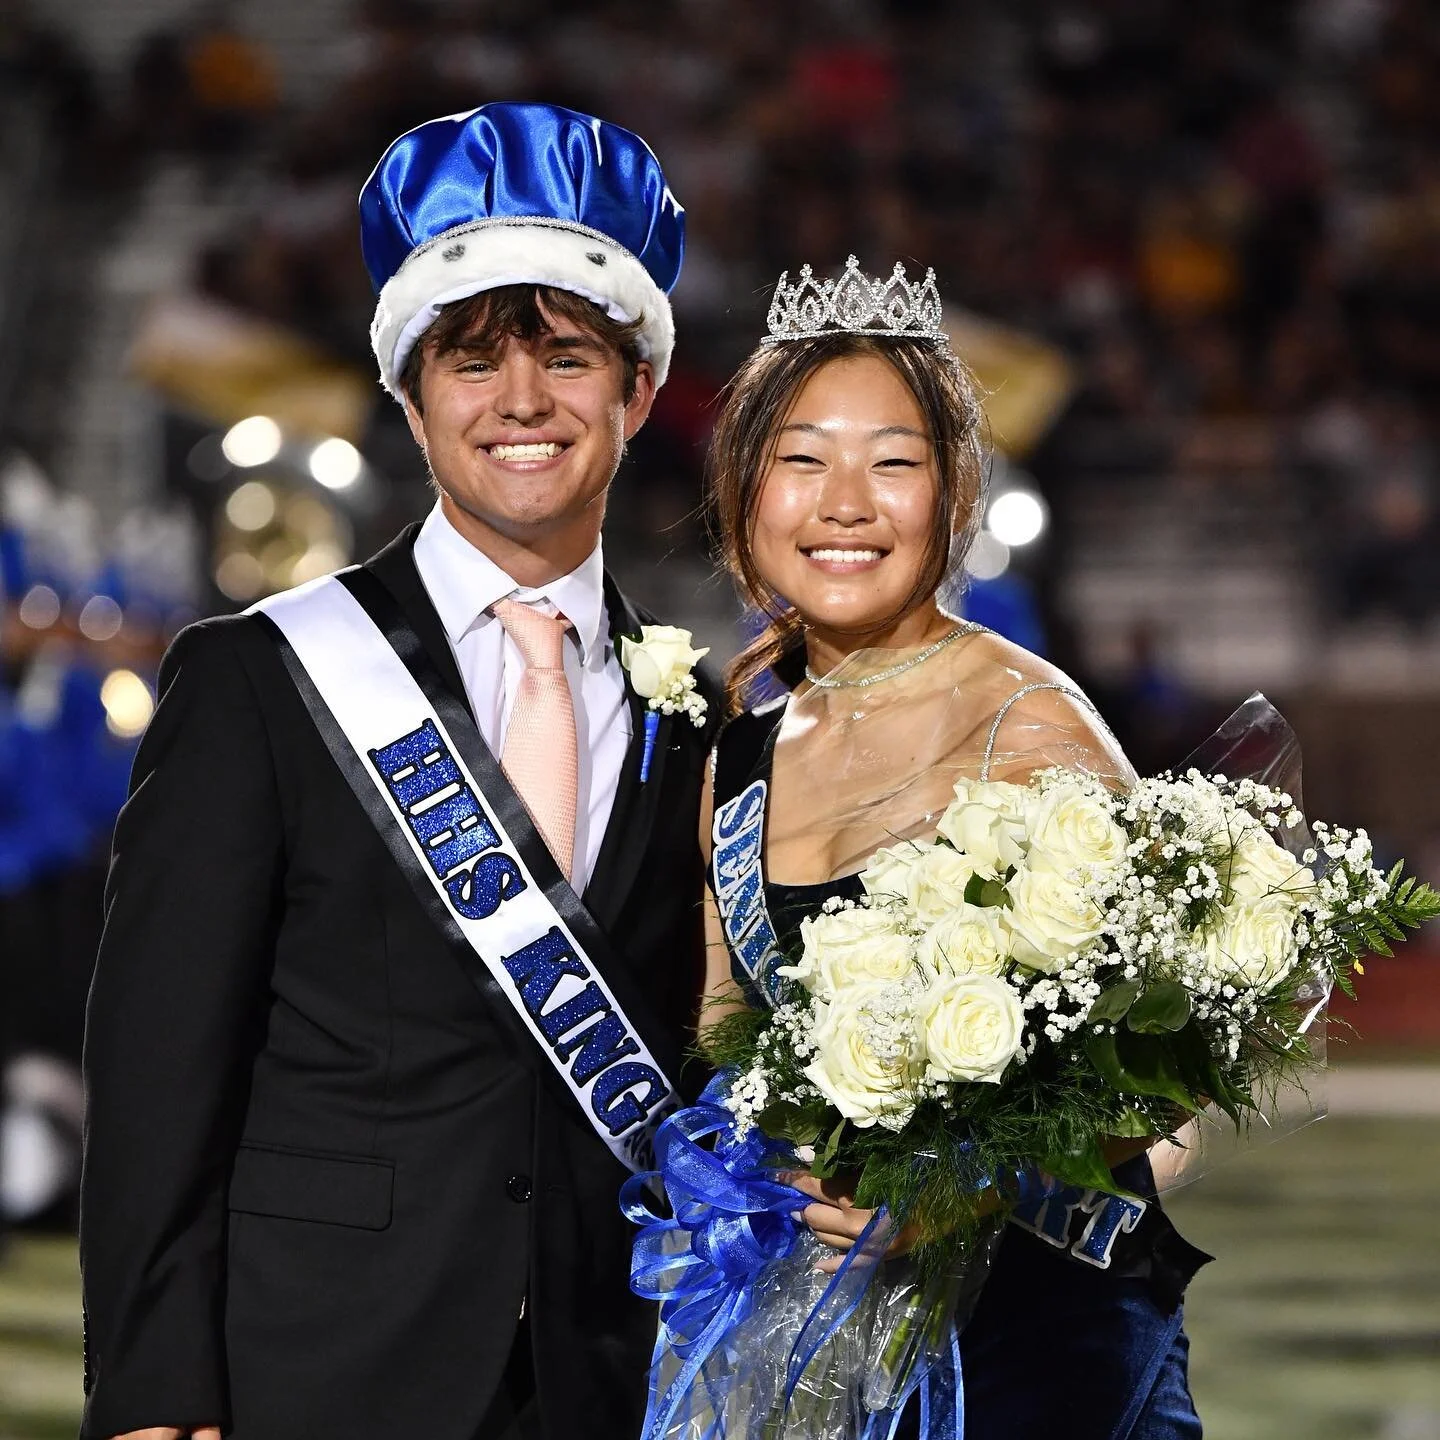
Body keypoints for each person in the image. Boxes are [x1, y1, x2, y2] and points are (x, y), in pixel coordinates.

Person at [80, 102, 715, 1440]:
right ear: (407, 394)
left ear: (640, 389)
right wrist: (150, 1387)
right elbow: (157, 1065)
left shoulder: (706, 710)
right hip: (316, 1362)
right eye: (472, 359)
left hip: (621, 1373)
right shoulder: (256, 678)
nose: (524, 402)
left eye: (570, 355)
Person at [697, 257, 1208, 1437]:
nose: (844, 502)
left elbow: (1174, 1088)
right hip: (820, 1351)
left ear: (954, 491)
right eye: (802, 458)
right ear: (744, 490)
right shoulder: (742, 753)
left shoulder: (1028, 723)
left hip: (1048, 1362)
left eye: (893, 461)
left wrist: (957, 1190)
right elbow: (726, 1035)